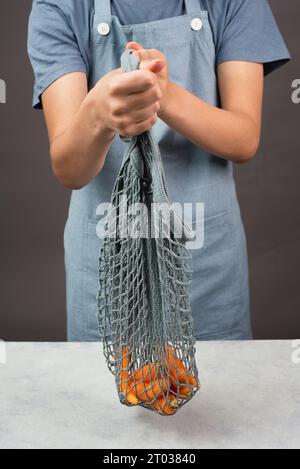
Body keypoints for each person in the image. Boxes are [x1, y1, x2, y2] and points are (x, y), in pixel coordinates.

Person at [27, 0, 290, 341]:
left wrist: (162, 94)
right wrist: (96, 114)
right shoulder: (61, 6)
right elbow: (70, 168)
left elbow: (243, 139)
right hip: (109, 272)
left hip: (207, 270)